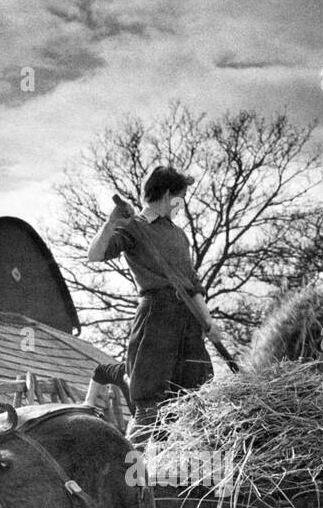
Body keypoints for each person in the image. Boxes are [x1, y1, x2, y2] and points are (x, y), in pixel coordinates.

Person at [87, 165, 224, 443]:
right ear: (165, 194)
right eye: (179, 198)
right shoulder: (134, 227)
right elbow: (95, 254)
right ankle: (129, 469)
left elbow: (193, 284)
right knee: (151, 403)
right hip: (157, 318)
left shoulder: (179, 235)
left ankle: (179, 471)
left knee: (195, 395)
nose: (182, 205)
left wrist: (209, 323)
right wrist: (111, 222)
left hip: (188, 320)